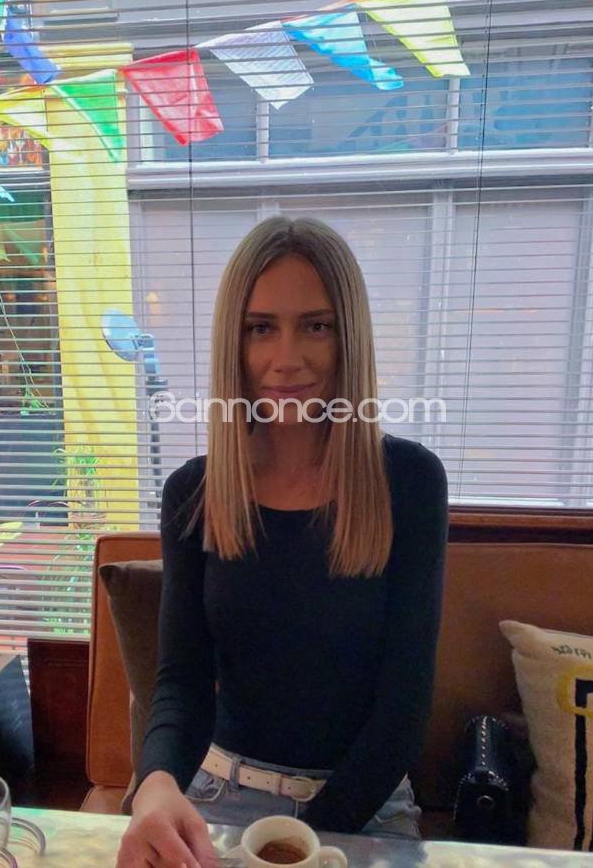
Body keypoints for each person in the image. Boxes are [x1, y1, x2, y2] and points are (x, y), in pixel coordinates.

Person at [116, 216, 448, 868]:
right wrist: (154, 784)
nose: (287, 359)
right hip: (221, 793)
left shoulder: (410, 482)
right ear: (233, 342)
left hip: (366, 804)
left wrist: (297, 849)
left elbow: (403, 712)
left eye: (316, 326)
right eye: (261, 328)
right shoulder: (192, 491)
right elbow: (181, 681)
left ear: (348, 338)